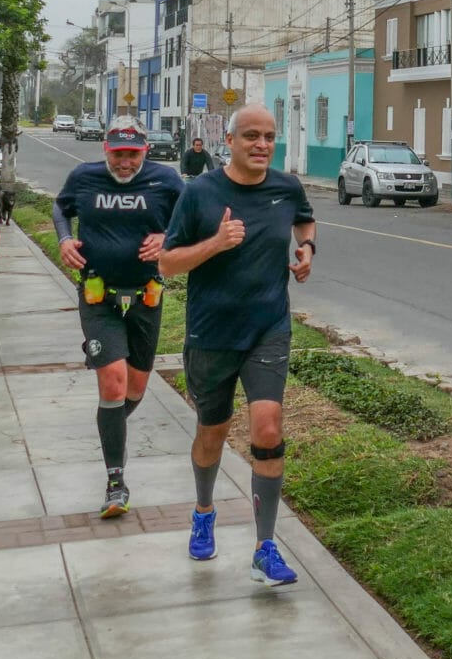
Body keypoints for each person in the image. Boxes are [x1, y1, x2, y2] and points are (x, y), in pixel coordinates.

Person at [158, 104, 314, 585]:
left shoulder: (287, 187)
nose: (262, 145)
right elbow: (167, 263)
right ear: (229, 141)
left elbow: (304, 222)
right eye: (251, 136)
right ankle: (204, 510)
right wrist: (215, 244)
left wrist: (307, 249)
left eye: (269, 136)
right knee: (213, 432)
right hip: (212, 333)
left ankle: (266, 547)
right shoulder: (200, 194)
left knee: (267, 430)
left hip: (268, 327)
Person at [55, 119, 185, 518]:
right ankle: (116, 483)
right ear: (105, 150)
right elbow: (61, 208)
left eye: (132, 155)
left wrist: (169, 237)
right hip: (99, 296)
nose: (125, 163)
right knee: (113, 383)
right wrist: (64, 238)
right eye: (118, 154)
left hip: (147, 296)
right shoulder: (84, 177)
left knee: (135, 388)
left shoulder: (167, 181)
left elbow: (192, 218)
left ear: (144, 151)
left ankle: (110, 426)